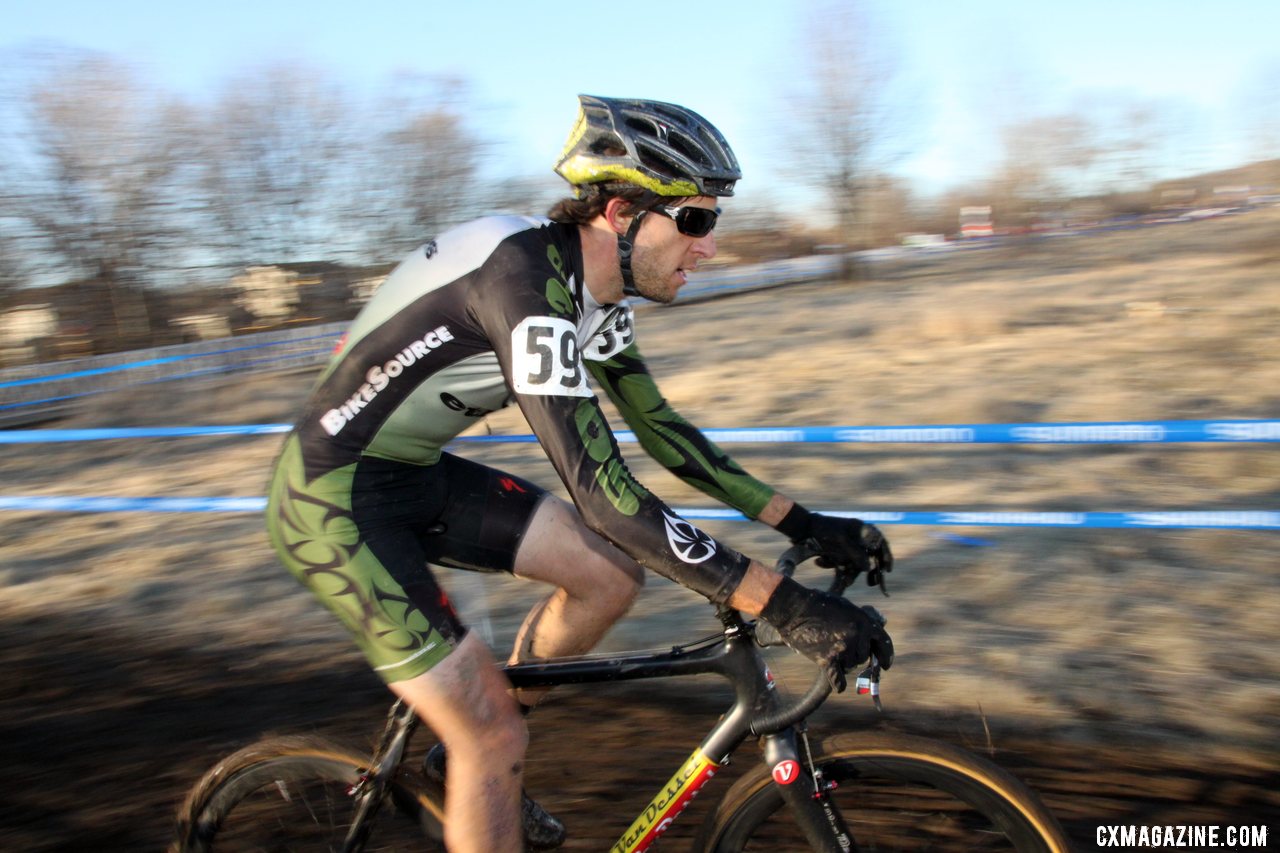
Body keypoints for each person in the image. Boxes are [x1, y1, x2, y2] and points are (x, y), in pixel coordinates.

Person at [265, 94, 894, 853]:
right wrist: (782, 603)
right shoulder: (526, 288)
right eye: (694, 220)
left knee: (609, 577)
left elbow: (666, 436)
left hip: (412, 473)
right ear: (623, 213)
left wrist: (804, 522)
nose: (710, 247)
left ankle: (454, 760)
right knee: (492, 733)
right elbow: (603, 493)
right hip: (329, 496)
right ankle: (484, 747)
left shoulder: (595, 298)